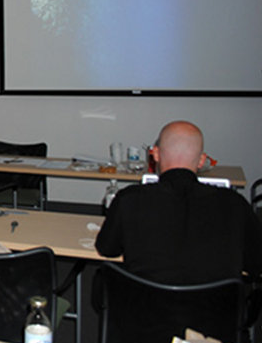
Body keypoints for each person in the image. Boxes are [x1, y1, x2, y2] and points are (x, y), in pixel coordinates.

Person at [96, 120, 262, 285]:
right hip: (218, 309)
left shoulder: (129, 199)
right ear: (202, 160)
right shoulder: (235, 203)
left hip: (141, 307)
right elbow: (255, 264)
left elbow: (107, 249)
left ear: (155, 155)